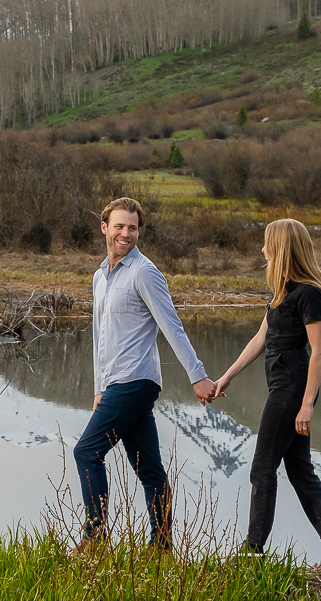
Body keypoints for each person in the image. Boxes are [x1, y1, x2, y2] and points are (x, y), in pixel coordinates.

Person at [72, 198, 218, 553]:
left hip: (137, 379)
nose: (126, 233)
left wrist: (197, 376)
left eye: (133, 227)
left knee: (86, 452)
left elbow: (172, 327)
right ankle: (162, 546)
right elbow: (99, 336)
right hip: (115, 383)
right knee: (148, 468)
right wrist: (98, 389)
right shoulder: (99, 276)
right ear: (104, 227)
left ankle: (95, 538)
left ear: (139, 231)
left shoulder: (144, 272)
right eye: (119, 226)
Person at [211, 218, 321, 572]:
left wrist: (307, 404)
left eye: (267, 244)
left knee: (263, 468)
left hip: (293, 388)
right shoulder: (281, 293)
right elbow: (261, 339)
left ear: (282, 249)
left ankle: (252, 552)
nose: (262, 250)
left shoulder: (308, 294)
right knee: (300, 470)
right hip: (282, 386)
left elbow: (320, 352)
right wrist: (227, 376)